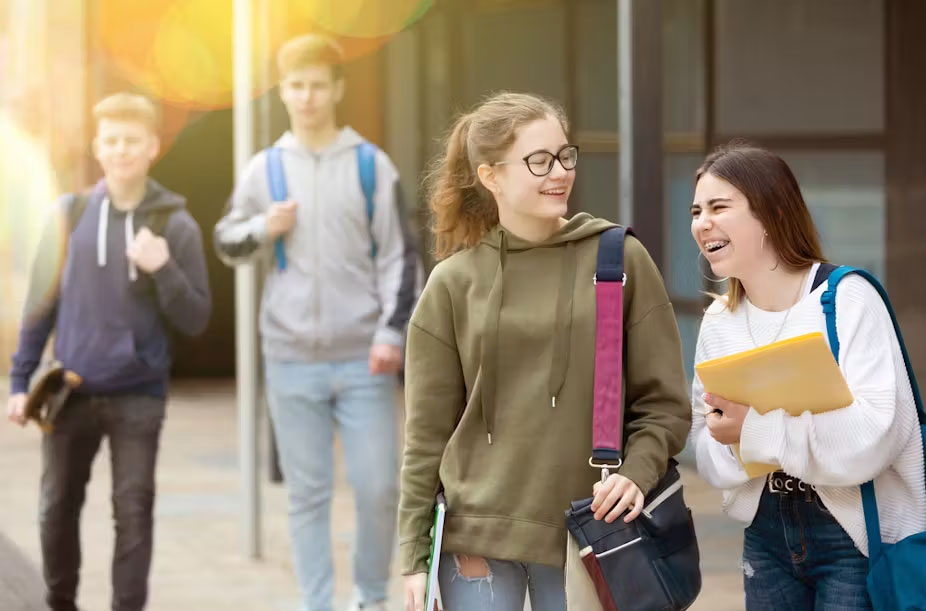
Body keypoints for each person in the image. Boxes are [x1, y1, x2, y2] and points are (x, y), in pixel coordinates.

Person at [398, 92, 691, 611]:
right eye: (539, 161)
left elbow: (664, 404)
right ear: (491, 176)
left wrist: (635, 472)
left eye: (565, 156)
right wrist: (414, 557)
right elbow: (426, 437)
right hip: (475, 540)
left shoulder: (618, 260)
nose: (559, 172)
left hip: (589, 533)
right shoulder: (452, 284)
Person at [214, 34, 420, 611]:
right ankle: (316, 603)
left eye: (317, 85)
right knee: (307, 494)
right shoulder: (265, 169)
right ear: (283, 91)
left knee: (379, 489)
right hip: (290, 358)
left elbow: (401, 257)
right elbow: (227, 240)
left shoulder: (369, 165)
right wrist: (263, 229)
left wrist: (389, 333)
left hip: (365, 360)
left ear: (337, 89)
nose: (307, 96)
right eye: (296, 85)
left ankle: (368, 598)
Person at [687, 143, 926, 610]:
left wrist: (751, 431)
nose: (701, 223)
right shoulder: (720, 320)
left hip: (853, 532)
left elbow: (877, 436)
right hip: (766, 531)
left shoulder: (847, 299)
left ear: (772, 212)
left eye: (719, 207)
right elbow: (707, 452)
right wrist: (727, 436)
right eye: (696, 211)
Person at [6, 92, 211, 611]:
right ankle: (60, 603)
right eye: (112, 141)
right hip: (69, 390)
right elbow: (38, 303)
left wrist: (161, 267)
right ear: (99, 148)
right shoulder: (68, 215)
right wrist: (18, 381)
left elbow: (196, 319)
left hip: (138, 396)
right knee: (56, 509)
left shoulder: (175, 226)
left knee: (133, 511)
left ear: (152, 148)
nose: (121, 150)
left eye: (132, 141)